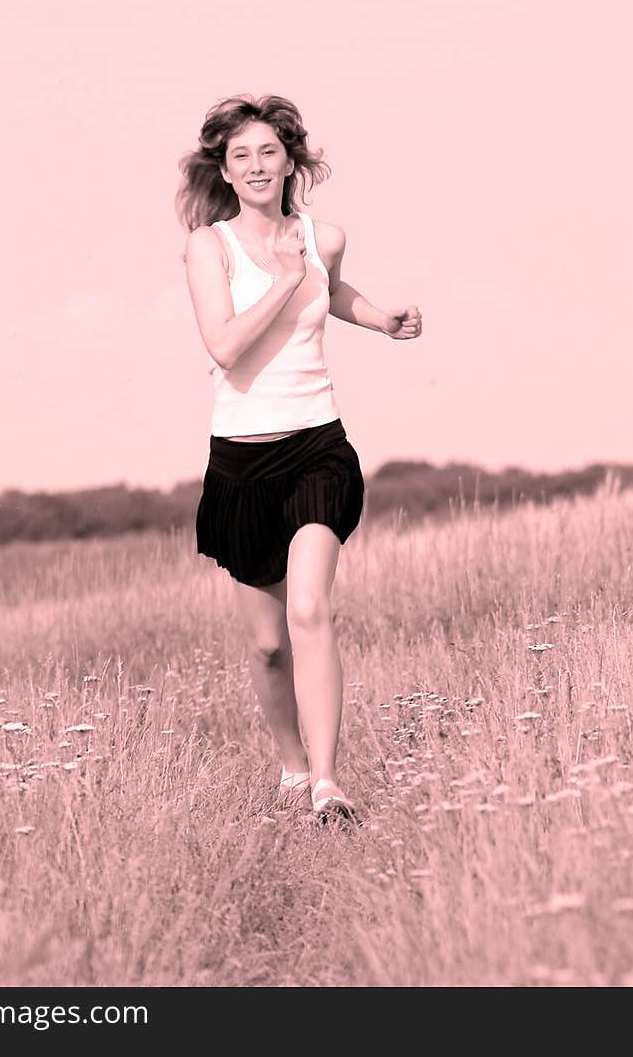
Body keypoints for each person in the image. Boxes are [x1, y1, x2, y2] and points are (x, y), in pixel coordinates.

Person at [176, 94, 422, 822]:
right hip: (240, 466)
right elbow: (223, 346)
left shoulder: (325, 237)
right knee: (267, 647)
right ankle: (290, 766)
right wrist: (282, 279)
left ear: (291, 161)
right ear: (224, 169)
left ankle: (326, 782)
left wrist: (378, 319)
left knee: (310, 610)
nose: (256, 166)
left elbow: (330, 286)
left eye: (268, 153)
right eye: (241, 156)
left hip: (318, 447)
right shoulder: (208, 247)